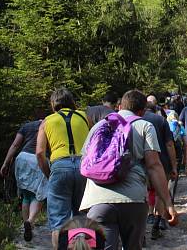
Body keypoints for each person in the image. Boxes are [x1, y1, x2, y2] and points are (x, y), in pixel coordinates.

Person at [80, 89, 178, 250]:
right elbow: (154, 166)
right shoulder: (144, 125)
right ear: (142, 111)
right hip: (133, 200)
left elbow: (85, 162)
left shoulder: (98, 126)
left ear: (119, 106)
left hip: (97, 200)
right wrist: (168, 203)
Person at [37, 88, 91, 249]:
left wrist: (49, 174)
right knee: (82, 217)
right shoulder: (84, 117)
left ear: (53, 104)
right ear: (71, 101)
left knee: (59, 221)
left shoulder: (47, 121)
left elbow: (40, 153)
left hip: (59, 166)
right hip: (83, 166)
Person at [0, 115, 47, 242]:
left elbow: (15, 145)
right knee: (38, 195)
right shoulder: (50, 124)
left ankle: (26, 224)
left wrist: (5, 163)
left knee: (26, 195)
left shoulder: (26, 126)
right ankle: (30, 221)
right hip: (39, 159)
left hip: (22, 159)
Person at [142, 95, 178, 240]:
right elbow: (169, 144)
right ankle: (157, 223)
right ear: (154, 109)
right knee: (159, 192)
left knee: (143, 193)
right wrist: (174, 166)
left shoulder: (134, 120)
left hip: (140, 162)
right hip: (161, 161)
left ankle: (142, 229)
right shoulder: (161, 120)